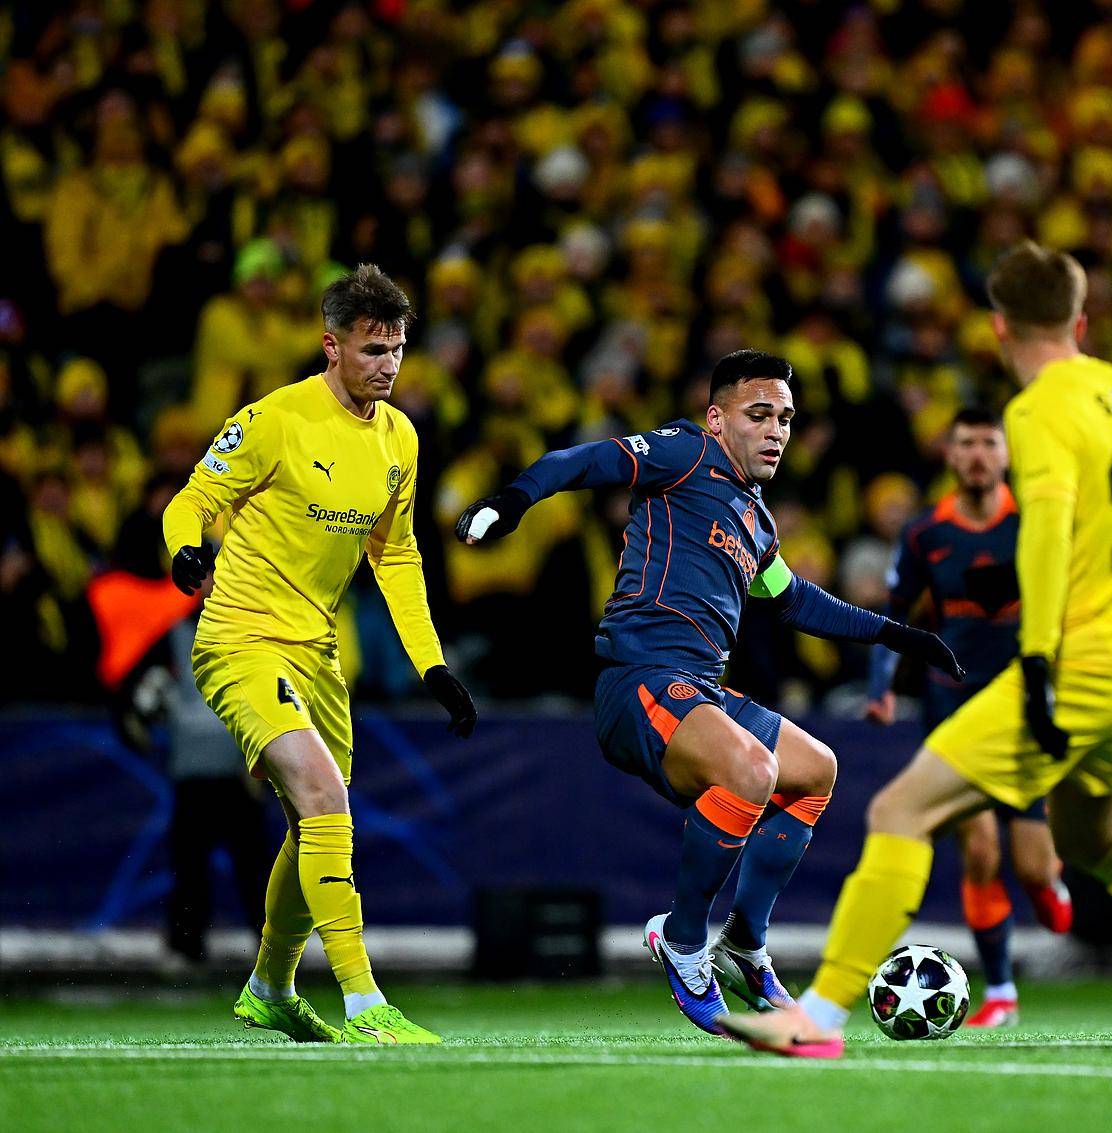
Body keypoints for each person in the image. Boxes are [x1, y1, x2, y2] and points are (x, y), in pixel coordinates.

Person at [716, 242, 1112, 1060]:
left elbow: (1044, 532)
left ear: (999, 325)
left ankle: (818, 1018)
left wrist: (1039, 660)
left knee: (899, 811)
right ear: (1079, 319)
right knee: (1092, 839)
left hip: (1078, 660)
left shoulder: (1039, 409)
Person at [454, 349, 963, 1036]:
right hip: (638, 679)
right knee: (752, 771)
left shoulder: (757, 521)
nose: (776, 430)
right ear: (718, 418)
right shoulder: (686, 453)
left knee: (814, 770)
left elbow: (793, 601)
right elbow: (579, 461)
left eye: (786, 418)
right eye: (760, 414)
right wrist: (512, 500)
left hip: (698, 688)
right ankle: (684, 939)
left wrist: (898, 635)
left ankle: (743, 943)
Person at [164, 264, 477, 1045]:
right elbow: (192, 499)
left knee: (315, 822)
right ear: (331, 346)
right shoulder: (274, 419)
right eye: (372, 349)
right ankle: (365, 999)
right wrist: (184, 550)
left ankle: (269, 986)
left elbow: (396, 555)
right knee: (323, 793)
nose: (388, 365)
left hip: (319, 653)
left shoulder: (400, 437)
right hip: (240, 636)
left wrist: (431, 663)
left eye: (397, 349)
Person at [864, 406, 1071, 1029]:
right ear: (950, 455)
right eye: (967, 444)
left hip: (1022, 702)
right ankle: (1002, 990)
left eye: (988, 443)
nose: (978, 455)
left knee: (1033, 864)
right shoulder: (925, 532)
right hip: (951, 701)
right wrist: (881, 686)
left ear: (1006, 455)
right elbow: (893, 615)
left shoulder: (1035, 521)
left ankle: (1048, 882)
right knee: (978, 848)